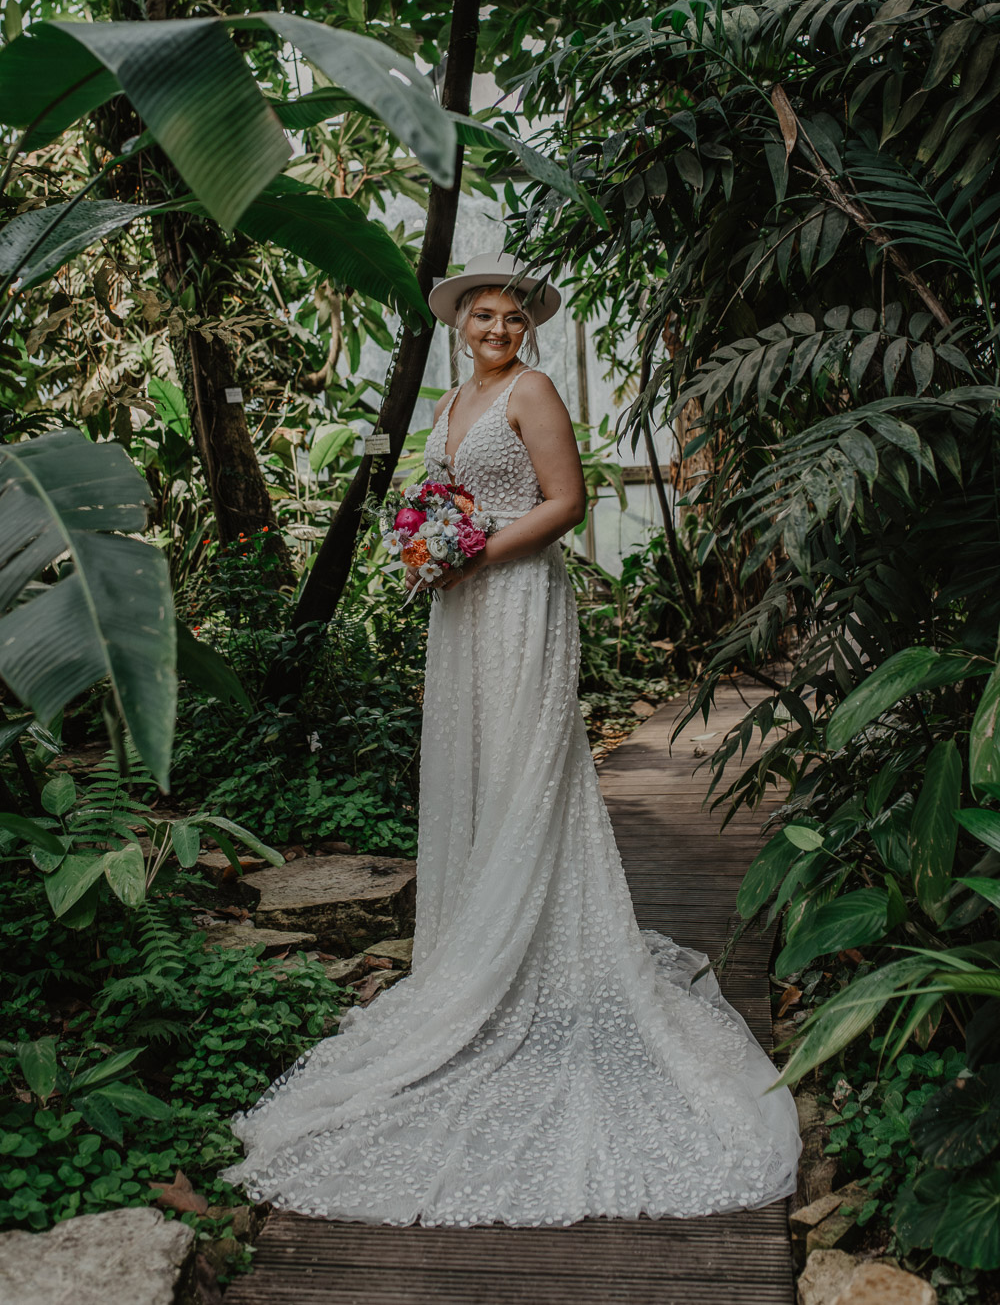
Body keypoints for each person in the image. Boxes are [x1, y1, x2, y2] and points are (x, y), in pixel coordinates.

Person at [221, 252, 800, 1227]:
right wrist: (428, 549)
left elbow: (565, 504)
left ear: (526, 326)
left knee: (528, 765)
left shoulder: (532, 391)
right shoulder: (453, 400)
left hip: (519, 595)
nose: (498, 329)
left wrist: (473, 552)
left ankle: (532, 945)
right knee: (478, 767)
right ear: (460, 323)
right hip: (462, 607)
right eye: (483, 315)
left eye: (512, 316)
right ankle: (472, 945)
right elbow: (441, 499)